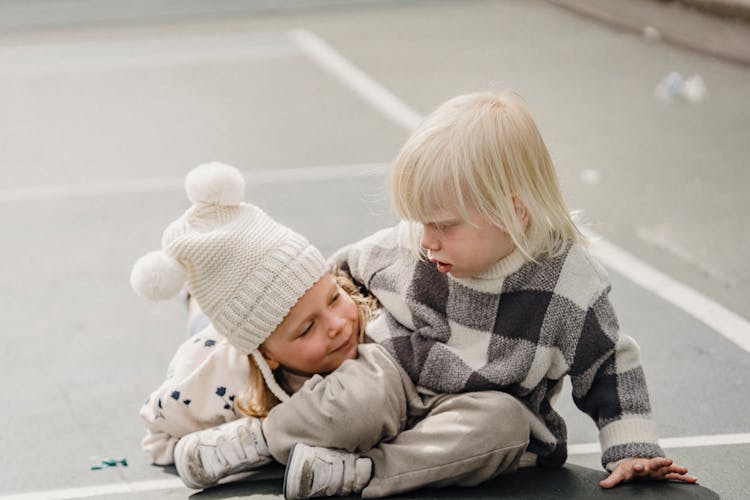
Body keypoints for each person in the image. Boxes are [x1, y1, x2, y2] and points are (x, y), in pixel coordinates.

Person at [260, 91, 697, 497]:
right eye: (419, 222)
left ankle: (359, 472)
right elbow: (333, 278)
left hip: (472, 415)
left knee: (504, 425)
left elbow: (608, 365)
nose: (427, 239)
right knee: (365, 387)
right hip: (396, 383)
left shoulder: (569, 285)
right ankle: (254, 441)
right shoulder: (409, 244)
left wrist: (631, 448)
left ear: (512, 212)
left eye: (443, 225)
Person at [131, 162, 377, 487]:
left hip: (249, 319)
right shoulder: (216, 380)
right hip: (218, 342)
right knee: (200, 319)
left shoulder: (369, 315)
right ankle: (194, 291)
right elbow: (158, 436)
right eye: (307, 328)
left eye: (333, 298)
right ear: (268, 355)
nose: (336, 325)